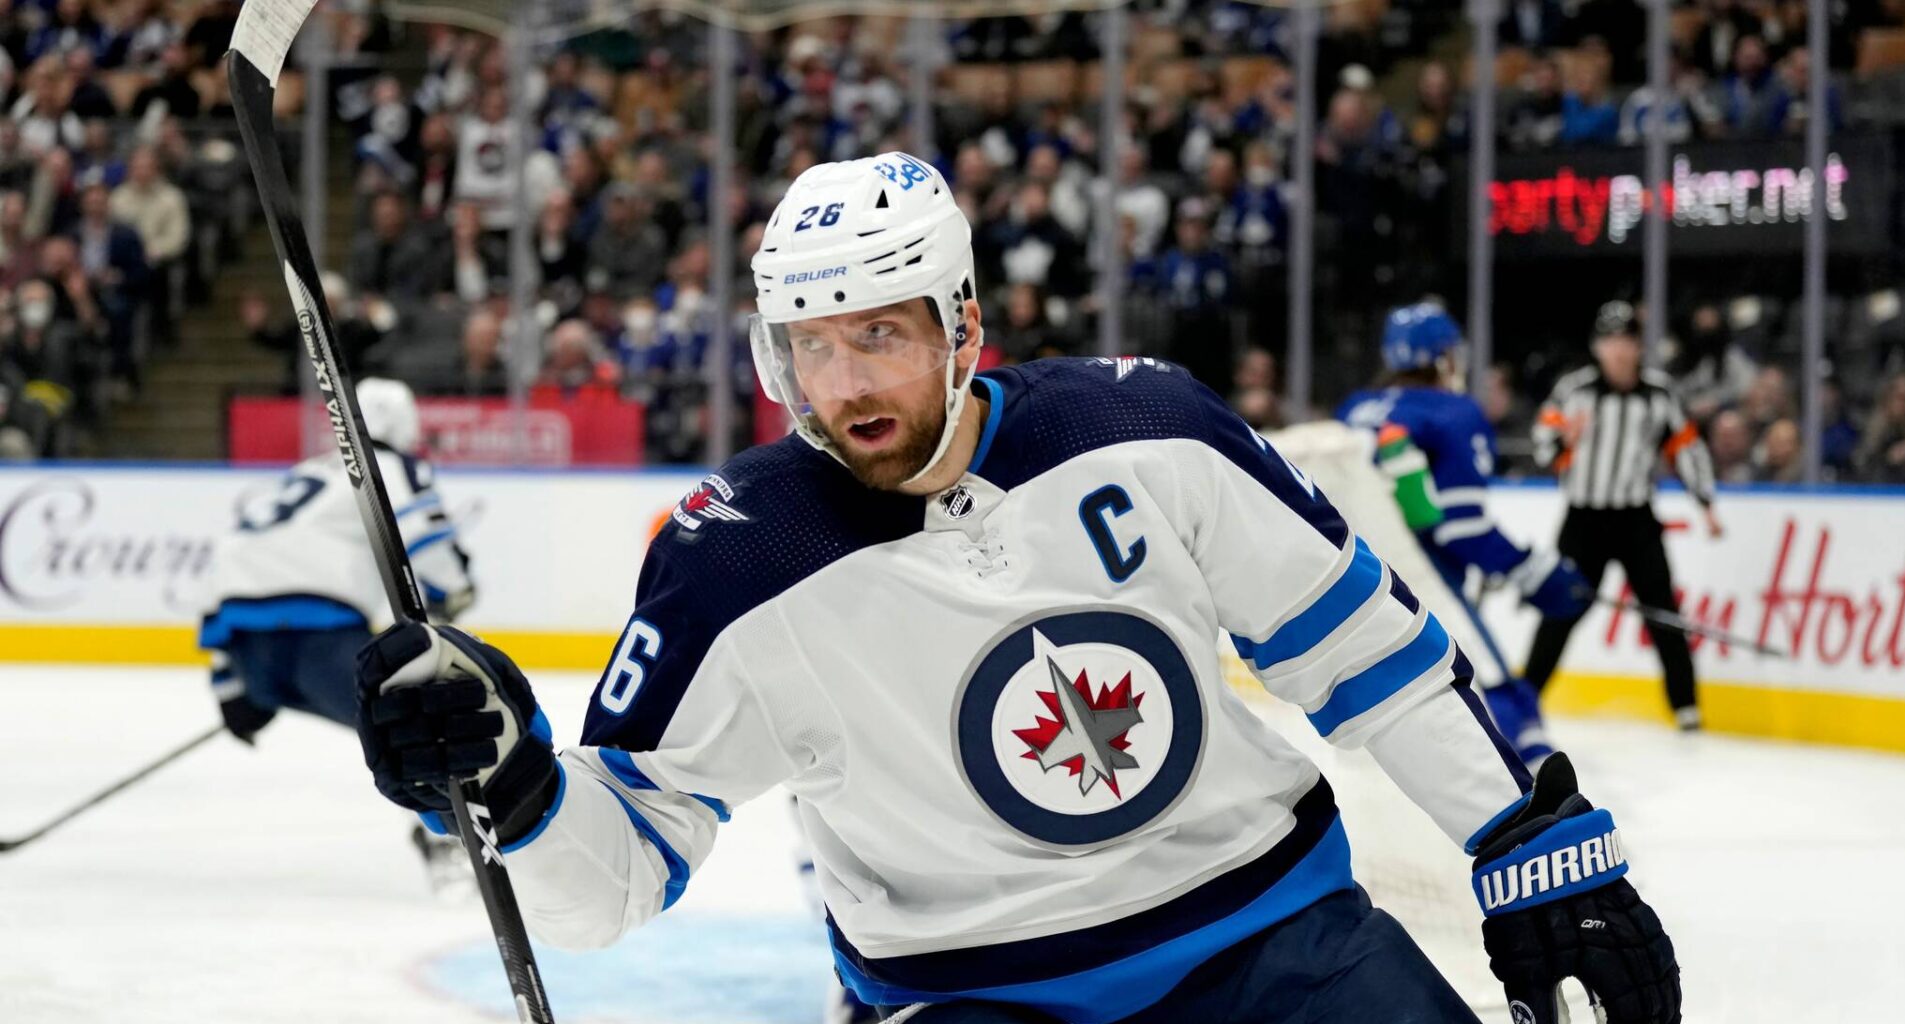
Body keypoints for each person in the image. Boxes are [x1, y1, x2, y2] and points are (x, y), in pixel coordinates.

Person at [352, 153, 1679, 1024]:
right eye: (814, 348)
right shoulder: (732, 564)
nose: (849, 384)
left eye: (881, 334)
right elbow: (618, 879)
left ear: (963, 324)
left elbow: (1366, 656)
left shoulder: (1149, 433)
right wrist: (520, 787)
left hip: (1275, 946)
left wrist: (1523, 844)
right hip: (969, 1004)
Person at [199, 380, 476, 880]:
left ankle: (447, 830)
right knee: (429, 721)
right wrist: (453, 588)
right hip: (319, 645)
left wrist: (232, 684)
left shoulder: (303, 473)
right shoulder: (387, 466)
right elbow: (428, 541)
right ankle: (454, 839)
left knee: (399, 720)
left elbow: (228, 561)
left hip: (249, 652)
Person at [1336, 303, 1589, 767]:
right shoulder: (1451, 412)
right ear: (1441, 358)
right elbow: (1462, 527)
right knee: (1504, 700)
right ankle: (1541, 815)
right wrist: (1533, 572)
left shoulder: (1354, 408)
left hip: (1348, 580)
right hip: (1423, 577)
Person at [1528, 302, 1720, 731]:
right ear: (1598, 346)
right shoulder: (1574, 390)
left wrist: (1705, 503)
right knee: (1561, 608)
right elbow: (1542, 443)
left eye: (1626, 341)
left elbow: (1685, 448)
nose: (1618, 350)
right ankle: (1527, 698)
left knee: (1663, 611)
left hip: (1635, 520)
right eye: (1610, 341)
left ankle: (1686, 707)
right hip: (1583, 522)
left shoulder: (1659, 394)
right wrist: (1565, 441)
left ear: (1638, 346)